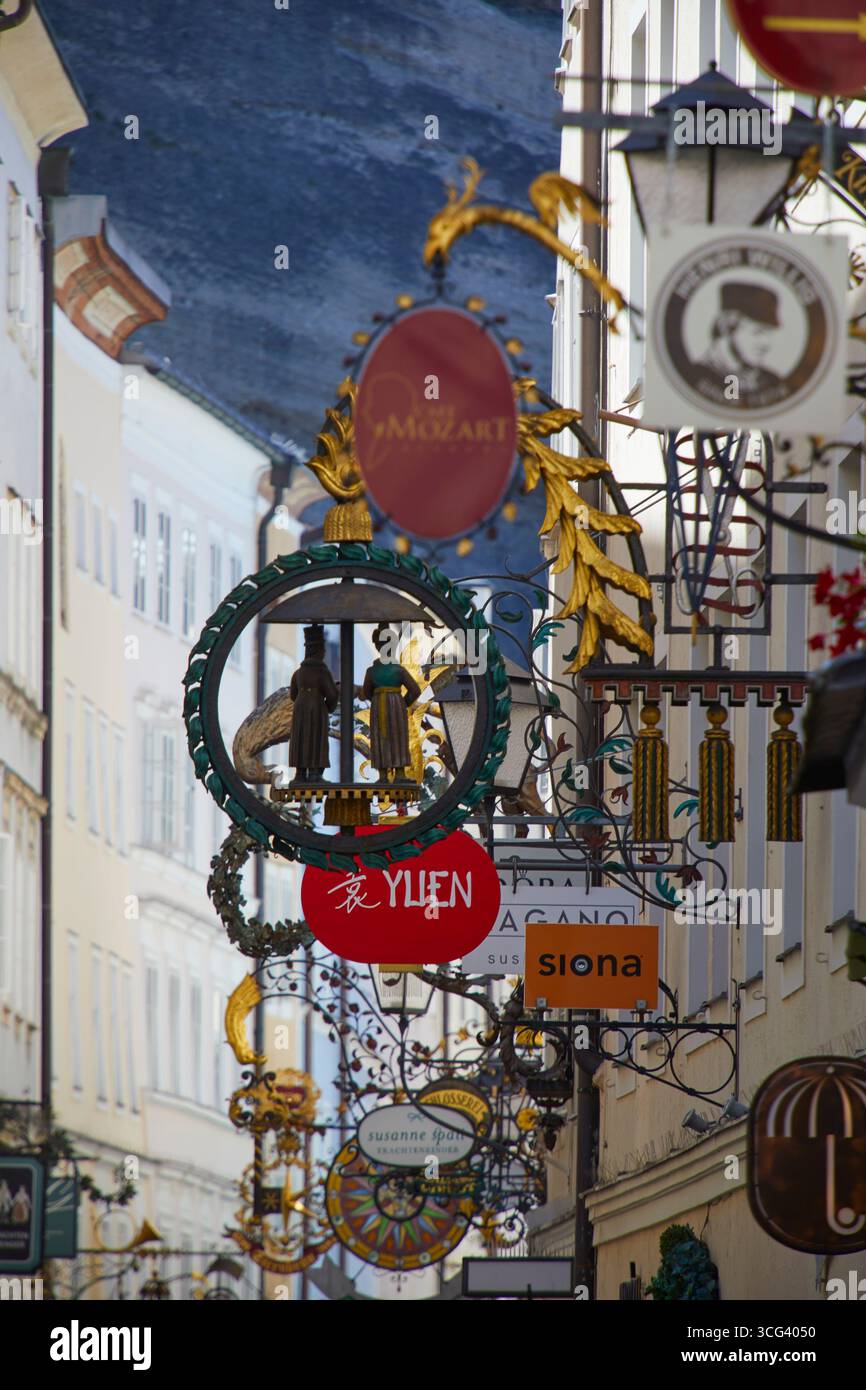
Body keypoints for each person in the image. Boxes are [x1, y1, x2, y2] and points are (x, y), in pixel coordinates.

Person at [695, 282, 781, 396]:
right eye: (757, 332)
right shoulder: (695, 377)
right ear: (726, 327)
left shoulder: (771, 381)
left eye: (769, 333)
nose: (766, 343)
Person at [362, 626, 421, 783]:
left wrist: (377, 699)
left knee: (381, 737)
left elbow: (366, 692)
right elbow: (415, 690)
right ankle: (399, 773)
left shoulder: (372, 671)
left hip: (379, 705)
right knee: (397, 737)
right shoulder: (398, 670)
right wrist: (403, 703)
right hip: (396, 705)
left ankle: (383, 775)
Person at [288, 624, 339, 783]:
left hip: (300, 708)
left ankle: (300, 773)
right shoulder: (322, 672)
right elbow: (332, 694)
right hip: (316, 707)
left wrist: (302, 703)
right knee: (316, 738)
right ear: (317, 651)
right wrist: (328, 707)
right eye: (323, 650)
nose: (324, 653)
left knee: (301, 737)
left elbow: (293, 695)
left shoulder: (298, 673)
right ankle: (315, 773)